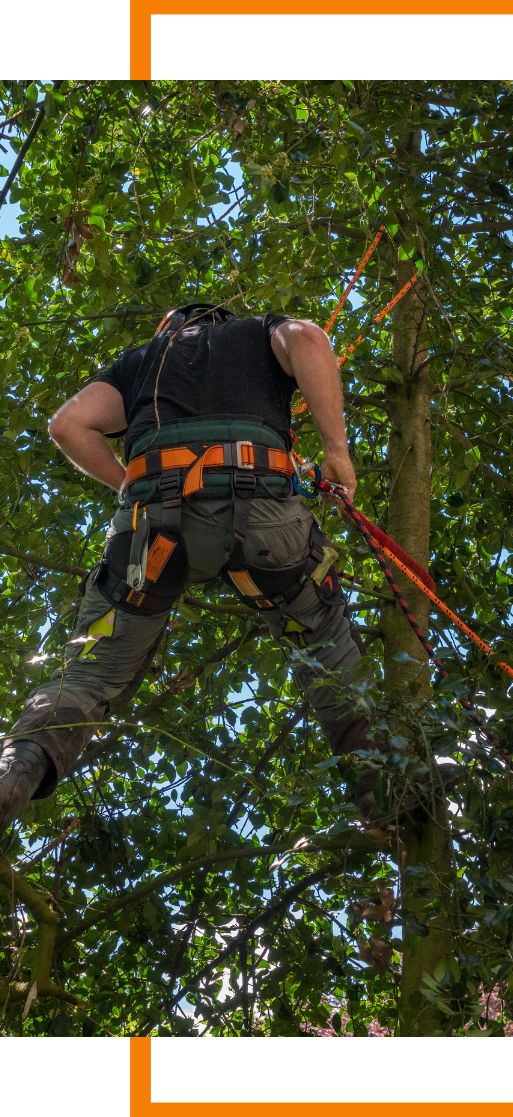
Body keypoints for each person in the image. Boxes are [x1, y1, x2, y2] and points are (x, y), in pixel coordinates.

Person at [0, 303, 378, 829]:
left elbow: (67, 426)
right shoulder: (257, 333)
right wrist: (336, 452)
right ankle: (385, 787)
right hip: (264, 516)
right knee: (325, 640)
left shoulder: (141, 362)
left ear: (169, 329)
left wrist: (134, 487)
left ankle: (17, 769)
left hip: (150, 531)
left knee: (91, 673)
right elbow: (310, 339)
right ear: (220, 321)